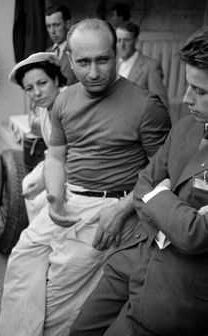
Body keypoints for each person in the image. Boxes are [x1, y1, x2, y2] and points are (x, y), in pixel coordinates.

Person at [0, 18, 170, 336]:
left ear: (116, 53)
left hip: (108, 209)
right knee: (21, 262)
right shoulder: (63, 100)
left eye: (102, 60)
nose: (93, 72)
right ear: (70, 59)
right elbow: (56, 154)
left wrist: (120, 212)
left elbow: (163, 177)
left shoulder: (146, 107)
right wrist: (54, 198)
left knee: (56, 299)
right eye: (83, 62)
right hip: (67, 199)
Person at [70, 26, 208, 336]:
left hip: (178, 288)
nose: (186, 98)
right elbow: (145, 181)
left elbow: (195, 235)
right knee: (80, 330)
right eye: (189, 86)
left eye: (201, 91)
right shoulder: (186, 128)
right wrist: (165, 202)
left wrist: (159, 197)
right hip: (135, 254)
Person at [9, 51, 67, 221]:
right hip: (57, 161)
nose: (37, 93)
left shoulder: (69, 104)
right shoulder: (44, 106)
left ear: (56, 80)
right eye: (29, 88)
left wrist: (46, 180)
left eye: (42, 83)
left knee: (43, 198)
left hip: (79, 168)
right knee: (28, 184)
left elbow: (78, 153)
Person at [116, 22, 168, 107]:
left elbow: (161, 105)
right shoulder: (111, 64)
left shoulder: (150, 66)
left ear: (136, 41)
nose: (122, 45)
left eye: (127, 40)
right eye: (118, 40)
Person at [45, 5, 77, 85]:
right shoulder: (47, 53)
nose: (52, 31)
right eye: (48, 26)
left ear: (68, 24)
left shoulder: (76, 50)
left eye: (56, 25)